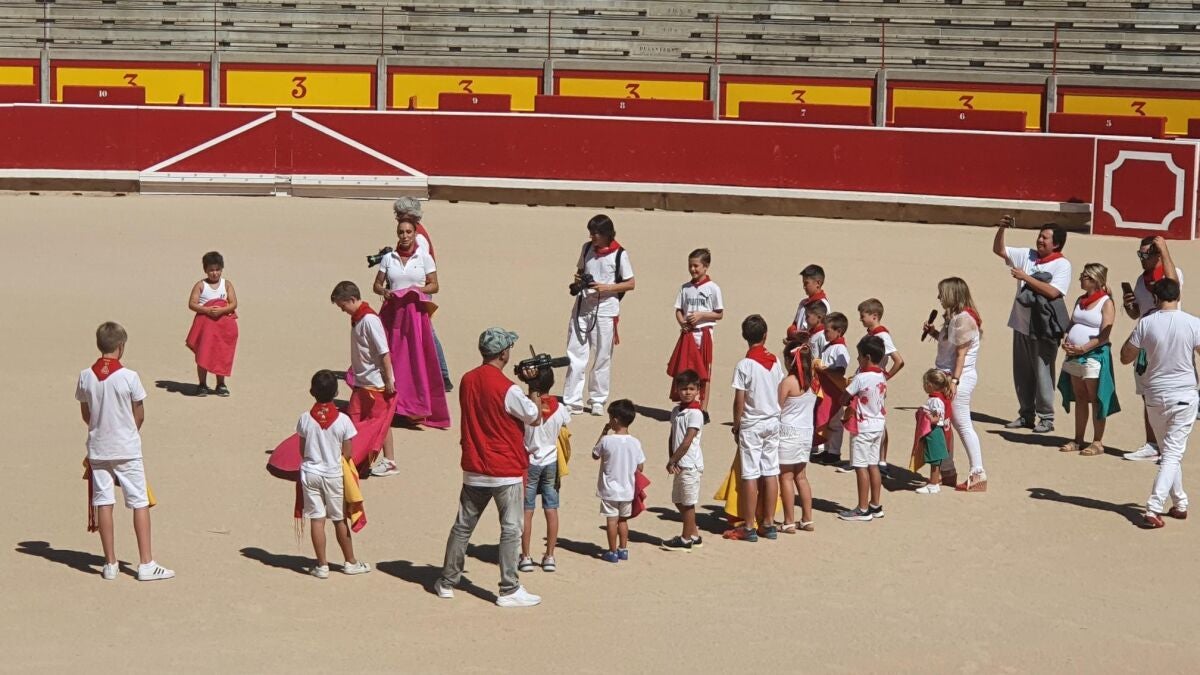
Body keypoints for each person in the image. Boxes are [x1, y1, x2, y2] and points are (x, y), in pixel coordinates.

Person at [436, 328, 543, 607]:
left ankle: (447, 581)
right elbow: (534, 416)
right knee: (511, 529)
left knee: (463, 526)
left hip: (474, 465)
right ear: (503, 353)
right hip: (504, 468)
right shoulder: (508, 388)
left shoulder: (467, 379)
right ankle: (509, 588)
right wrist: (534, 387)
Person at [75, 322, 174, 581]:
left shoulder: (86, 375)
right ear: (121, 346)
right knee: (139, 501)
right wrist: (128, 431)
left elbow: (86, 413)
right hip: (126, 447)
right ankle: (146, 562)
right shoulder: (130, 376)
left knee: (103, 501)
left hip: (99, 447)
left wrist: (101, 429)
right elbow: (138, 414)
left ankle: (110, 563)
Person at [1119, 279, 1199, 529]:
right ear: (1178, 296)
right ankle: (1153, 507)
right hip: (1183, 395)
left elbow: (1125, 356)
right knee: (1172, 453)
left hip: (1154, 396)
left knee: (1168, 451)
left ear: (1155, 298)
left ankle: (1180, 502)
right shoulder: (1193, 323)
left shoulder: (1146, 323)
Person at [993, 215, 1072, 433]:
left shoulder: (1062, 264)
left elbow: (1053, 292)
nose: (1040, 240)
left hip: (1043, 327)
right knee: (1022, 373)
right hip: (1021, 323)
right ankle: (1026, 414)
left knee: (1043, 373)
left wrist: (1025, 277)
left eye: (1045, 238)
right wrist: (1002, 228)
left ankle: (1046, 418)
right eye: (1039, 236)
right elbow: (999, 250)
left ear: (1056, 244)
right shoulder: (1028, 255)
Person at [372, 214, 450, 430]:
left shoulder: (424, 257)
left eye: (408, 232)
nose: (405, 236)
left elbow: (434, 285)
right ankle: (395, 405)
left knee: (415, 359)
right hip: (394, 314)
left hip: (415, 314)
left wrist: (417, 290)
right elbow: (376, 285)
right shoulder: (389, 258)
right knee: (393, 357)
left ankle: (414, 407)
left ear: (415, 233)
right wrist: (385, 292)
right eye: (401, 232)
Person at [296, 370, 370, 579]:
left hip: (311, 472)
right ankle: (350, 562)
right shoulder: (343, 421)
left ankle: (322, 565)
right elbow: (347, 453)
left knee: (317, 519)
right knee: (339, 519)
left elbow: (302, 450)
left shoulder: (304, 419)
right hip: (333, 474)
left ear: (312, 392)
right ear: (336, 393)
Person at [564, 214, 635, 416]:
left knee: (602, 356)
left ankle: (597, 399)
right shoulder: (587, 248)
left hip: (605, 310)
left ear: (606, 234)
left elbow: (630, 283)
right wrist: (579, 282)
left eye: (596, 233)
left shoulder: (620, 254)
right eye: (591, 232)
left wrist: (606, 287)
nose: (592, 236)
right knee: (576, 354)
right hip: (582, 308)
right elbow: (579, 271)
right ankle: (572, 400)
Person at [1122, 236, 1183, 462]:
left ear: (1158, 255)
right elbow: (1136, 314)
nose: (1142, 258)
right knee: (1147, 395)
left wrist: (1165, 250)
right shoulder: (1141, 280)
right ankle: (1152, 444)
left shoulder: (1172, 273)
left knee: (1168, 395)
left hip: (1169, 343)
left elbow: (1174, 288)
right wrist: (1129, 306)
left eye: (1146, 254)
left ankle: (1168, 448)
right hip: (1147, 342)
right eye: (1140, 254)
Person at [922, 277, 985, 492]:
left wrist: (954, 381)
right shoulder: (955, 317)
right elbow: (951, 345)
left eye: (942, 293)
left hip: (957, 377)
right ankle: (947, 471)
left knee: (962, 424)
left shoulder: (964, 319)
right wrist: (934, 333)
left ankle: (978, 472)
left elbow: (960, 354)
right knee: (945, 423)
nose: (939, 297)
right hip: (947, 376)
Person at [726, 315, 785, 542]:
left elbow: (739, 399)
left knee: (750, 473)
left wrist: (736, 424)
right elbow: (779, 390)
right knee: (770, 471)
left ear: (745, 336)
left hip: (753, 422)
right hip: (772, 420)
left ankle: (749, 525)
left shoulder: (745, 365)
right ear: (765, 335)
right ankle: (768, 522)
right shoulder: (775, 361)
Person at [331, 281, 398, 478]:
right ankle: (355, 459)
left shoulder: (369, 320)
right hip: (362, 381)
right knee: (355, 420)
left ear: (352, 299)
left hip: (374, 383)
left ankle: (389, 461)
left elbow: (384, 351)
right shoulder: (358, 318)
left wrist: (389, 380)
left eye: (343, 306)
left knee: (379, 423)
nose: (343, 310)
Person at [1057, 263, 1119, 457]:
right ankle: (1078, 439)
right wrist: (1066, 339)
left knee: (1095, 398)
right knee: (1080, 397)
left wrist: (1083, 348)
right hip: (1074, 354)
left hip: (1093, 354)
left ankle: (1097, 441)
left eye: (1084, 276)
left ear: (1094, 279)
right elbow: (1072, 323)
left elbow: (1105, 334)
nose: (1080, 279)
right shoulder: (1081, 299)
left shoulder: (1106, 303)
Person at [392, 197, 453, 392]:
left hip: (417, 293)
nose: (397, 217)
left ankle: (442, 375)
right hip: (415, 292)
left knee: (426, 332)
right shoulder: (416, 233)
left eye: (400, 214)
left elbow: (420, 268)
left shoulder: (418, 239)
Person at [518, 367, 570, 574]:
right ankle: (550, 556)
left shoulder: (525, 407)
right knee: (551, 508)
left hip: (530, 460)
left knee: (527, 510)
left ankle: (525, 556)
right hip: (551, 461)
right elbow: (564, 427)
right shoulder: (560, 408)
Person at [666, 248, 724, 419]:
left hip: (704, 334)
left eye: (696, 266)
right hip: (688, 334)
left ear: (706, 267)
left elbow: (719, 313)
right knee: (685, 369)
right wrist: (682, 323)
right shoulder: (685, 288)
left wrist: (701, 315)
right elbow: (678, 310)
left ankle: (703, 408)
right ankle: (686, 403)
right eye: (690, 265)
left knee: (704, 372)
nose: (693, 269)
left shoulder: (713, 288)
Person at [836, 336, 888, 522]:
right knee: (873, 465)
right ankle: (875, 504)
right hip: (878, 424)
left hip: (863, 426)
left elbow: (844, 397)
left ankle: (862, 508)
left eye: (859, 356)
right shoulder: (881, 375)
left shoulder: (861, 378)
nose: (858, 359)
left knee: (860, 466)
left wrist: (849, 398)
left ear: (867, 357)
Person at [592, 399, 646, 563]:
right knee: (623, 520)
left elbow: (595, 454)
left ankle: (612, 551)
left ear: (614, 420)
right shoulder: (635, 442)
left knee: (611, 520)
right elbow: (641, 466)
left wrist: (604, 432)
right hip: (627, 489)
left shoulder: (607, 440)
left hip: (610, 489)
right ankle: (623, 549)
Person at [857, 298, 905, 472]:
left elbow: (898, 360)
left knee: (877, 420)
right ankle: (868, 457)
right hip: (865, 382)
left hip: (874, 384)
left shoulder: (882, 336)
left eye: (863, 316)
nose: (861, 319)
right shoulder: (870, 335)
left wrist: (885, 377)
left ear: (874, 316)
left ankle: (881, 459)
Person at [661, 370, 706, 551]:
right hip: (680, 463)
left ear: (698, 390)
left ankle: (686, 539)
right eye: (683, 389)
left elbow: (687, 441)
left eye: (691, 389)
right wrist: (671, 457)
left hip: (690, 464)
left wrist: (673, 459)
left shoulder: (696, 413)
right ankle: (694, 533)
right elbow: (672, 436)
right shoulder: (676, 411)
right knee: (678, 500)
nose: (687, 392)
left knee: (688, 503)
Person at [186, 251, 238, 397]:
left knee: (221, 354)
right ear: (205, 270)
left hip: (222, 327)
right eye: (211, 270)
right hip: (206, 327)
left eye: (217, 269)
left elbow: (233, 303)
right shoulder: (201, 285)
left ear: (222, 269)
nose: (214, 273)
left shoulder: (226, 284)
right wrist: (207, 310)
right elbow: (192, 304)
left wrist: (222, 310)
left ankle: (221, 384)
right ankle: (202, 384)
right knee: (203, 354)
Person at [777, 342, 817, 532]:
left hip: (788, 432)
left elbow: (777, 407)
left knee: (786, 477)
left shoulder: (788, 382)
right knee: (801, 477)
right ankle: (807, 518)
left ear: (789, 360)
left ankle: (789, 521)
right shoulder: (813, 382)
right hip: (805, 433)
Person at [813, 312, 851, 466]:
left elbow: (840, 370)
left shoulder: (840, 349)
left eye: (827, 330)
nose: (824, 333)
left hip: (834, 390)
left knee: (834, 421)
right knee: (827, 420)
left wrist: (825, 370)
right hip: (825, 389)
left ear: (838, 331)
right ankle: (828, 449)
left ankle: (834, 452)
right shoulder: (829, 346)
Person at [912, 369, 953, 495]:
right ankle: (933, 482)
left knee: (935, 460)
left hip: (934, 431)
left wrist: (927, 416)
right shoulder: (938, 398)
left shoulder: (935, 400)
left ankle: (933, 484)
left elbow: (937, 418)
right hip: (935, 431)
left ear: (930, 385)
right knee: (934, 459)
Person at [787, 264, 832, 341]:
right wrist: (794, 334)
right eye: (803, 283)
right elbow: (794, 325)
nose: (804, 287)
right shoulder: (803, 303)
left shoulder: (824, 305)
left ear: (818, 283)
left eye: (806, 283)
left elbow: (822, 332)